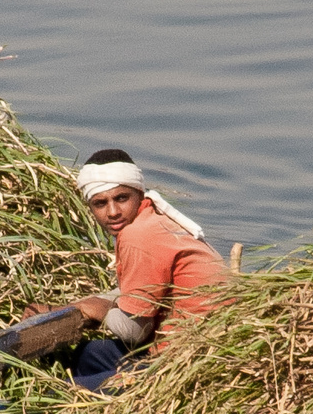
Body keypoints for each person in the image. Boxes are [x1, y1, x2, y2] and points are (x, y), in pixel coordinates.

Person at [63, 149, 227, 390]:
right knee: (91, 353)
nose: (113, 212)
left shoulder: (137, 235)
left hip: (186, 361)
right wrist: (84, 304)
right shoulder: (156, 218)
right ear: (90, 207)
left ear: (139, 194)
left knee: (60, 394)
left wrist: (99, 309)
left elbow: (135, 332)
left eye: (121, 198)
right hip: (205, 346)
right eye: (100, 203)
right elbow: (137, 293)